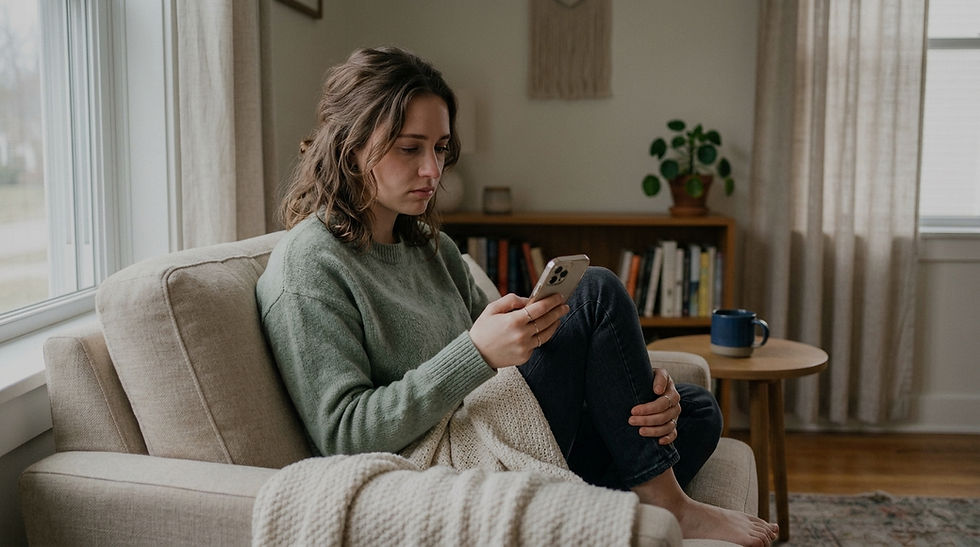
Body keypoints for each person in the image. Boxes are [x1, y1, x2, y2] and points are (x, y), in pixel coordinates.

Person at [256, 46, 778, 546]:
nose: (432, 172)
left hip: (492, 426)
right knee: (594, 290)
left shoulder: (430, 247)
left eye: (440, 149)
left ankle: (593, 505)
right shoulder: (310, 264)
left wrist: (632, 383)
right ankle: (669, 507)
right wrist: (477, 353)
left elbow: (493, 385)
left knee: (694, 410)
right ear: (349, 144)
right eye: (409, 148)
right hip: (439, 456)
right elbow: (343, 434)